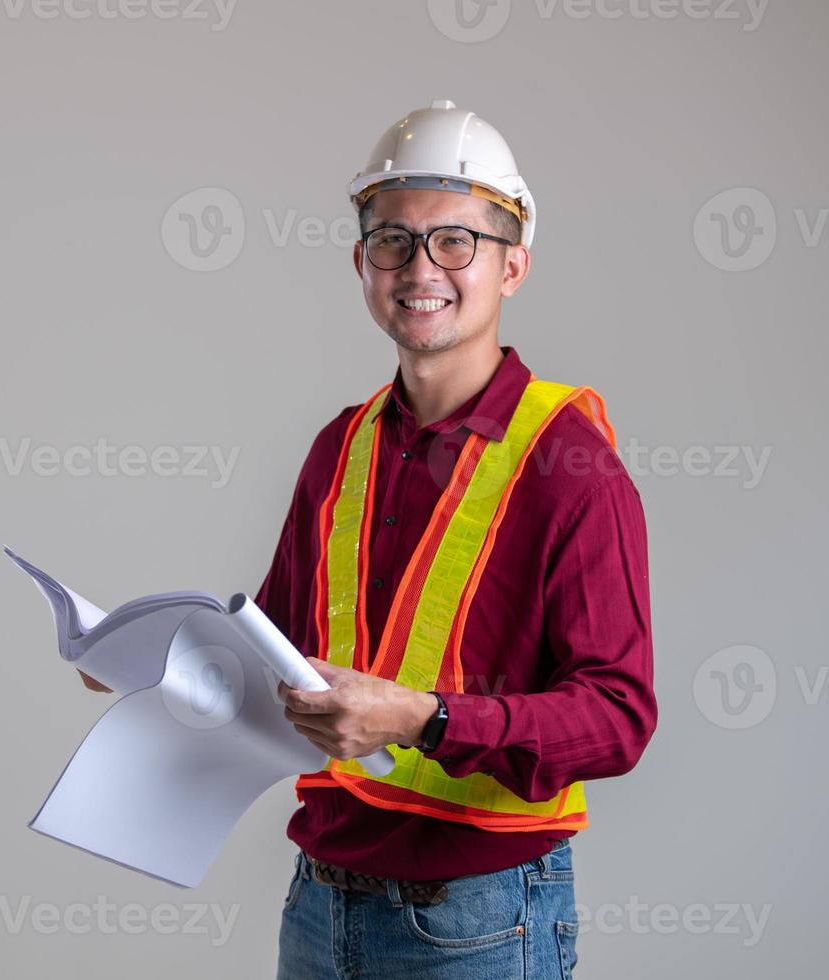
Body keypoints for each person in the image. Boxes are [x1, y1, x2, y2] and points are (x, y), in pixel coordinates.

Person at [253, 100, 659, 978]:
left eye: (455, 240)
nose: (419, 265)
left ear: (513, 265)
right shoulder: (341, 446)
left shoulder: (569, 463)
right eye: (392, 239)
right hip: (319, 905)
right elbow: (280, 652)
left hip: (477, 922)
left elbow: (618, 718)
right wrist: (156, 662)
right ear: (363, 263)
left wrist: (425, 720)